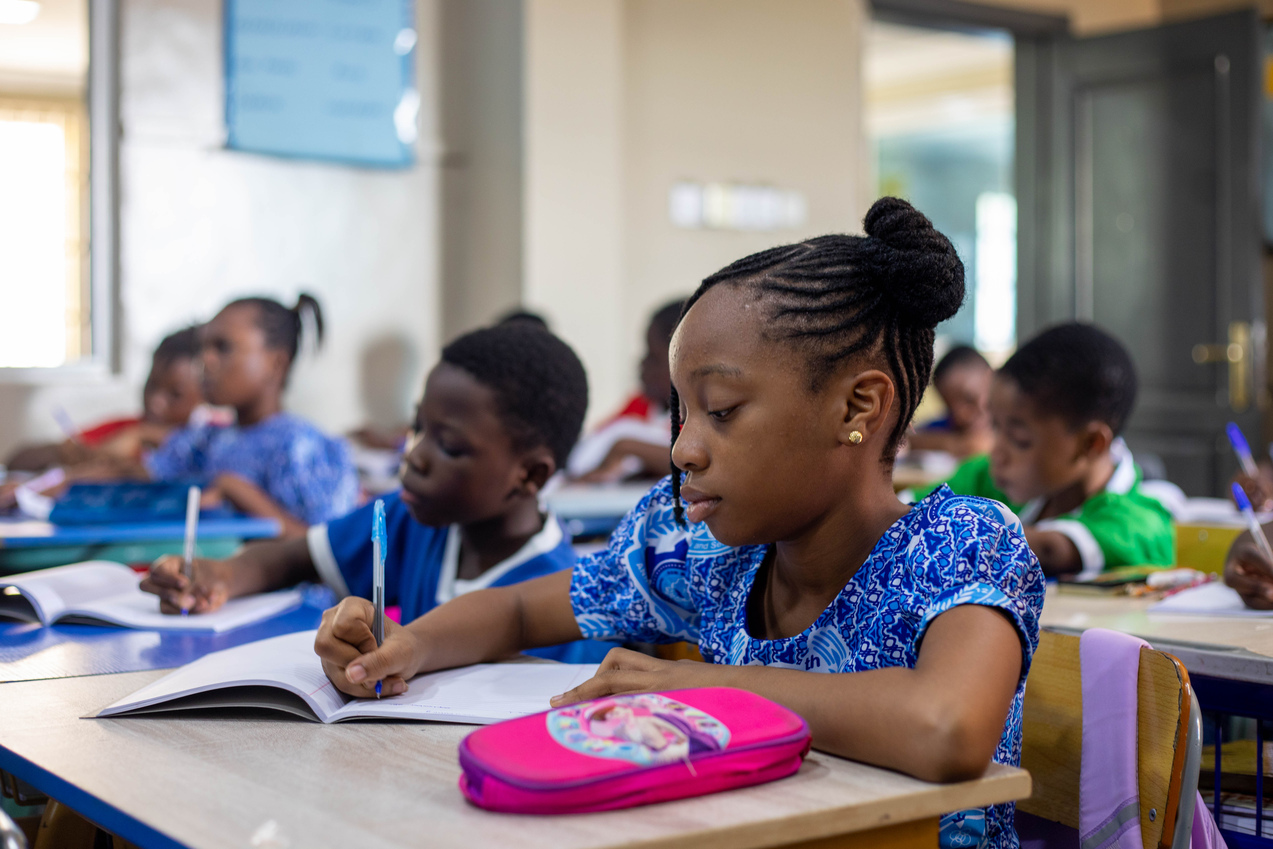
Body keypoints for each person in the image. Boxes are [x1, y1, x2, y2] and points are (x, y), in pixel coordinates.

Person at [312, 199, 1044, 849]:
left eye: (721, 411)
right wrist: (407, 646)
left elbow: (945, 727)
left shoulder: (959, 543)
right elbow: (515, 610)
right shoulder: (707, 555)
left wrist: (698, 686)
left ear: (857, 407)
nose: (683, 448)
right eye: (682, 413)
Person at [143, 323, 614, 663]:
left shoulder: (560, 604)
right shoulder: (410, 519)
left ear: (529, 475)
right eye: (417, 427)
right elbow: (294, 557)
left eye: (449, 447)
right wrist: (221, 576)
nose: (415, 455)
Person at [928, 323, 1172, 578]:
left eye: (1020, 440)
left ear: (1091, 444)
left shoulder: (1143, 523)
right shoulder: (986, 477)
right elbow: (915, 505)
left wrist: (941, 530)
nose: (997, 454)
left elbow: (1050, 549)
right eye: (995, 426)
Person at [145, 295, 357, 536]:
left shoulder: (301, 447)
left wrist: (237, 491)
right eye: (202, 348)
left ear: (277, 363)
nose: (206, 360)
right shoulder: (209, 440)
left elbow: (330, 548)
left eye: (222, 347)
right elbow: (156, 475)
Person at [5, 326, 208, 473]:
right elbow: (16, 460)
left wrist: (142, 436)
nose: (156, 402)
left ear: (207, 395)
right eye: (152, 385)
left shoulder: (212, 443)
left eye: (175, 395)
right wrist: (64, 452)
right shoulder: (123, 429)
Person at [567, 298, 685, 482]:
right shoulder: (639, 406)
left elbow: (697, 463)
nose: (642, 364)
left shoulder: (699, 417)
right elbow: (585, 453)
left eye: (654, 357)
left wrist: (628, 447)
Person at [907, 345, 993, 459]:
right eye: (950, 408)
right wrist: (957, 445)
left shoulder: (1011, 423)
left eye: (969, 399)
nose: (961, 416)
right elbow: (906, 438)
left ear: (993, 380)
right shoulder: (949, 425)